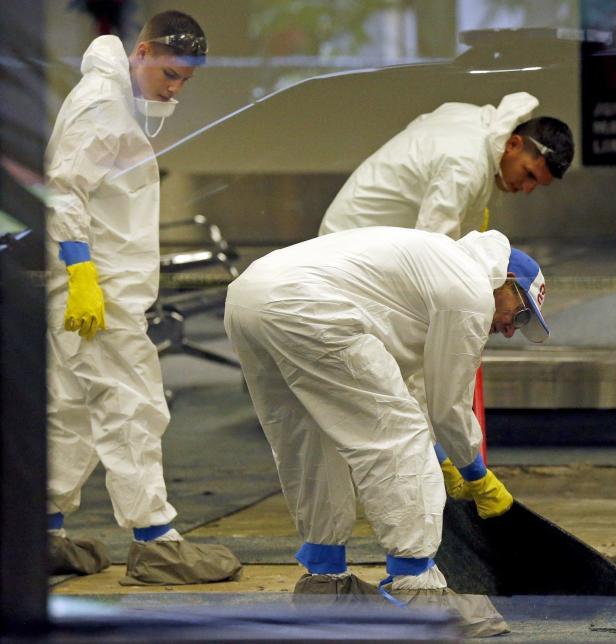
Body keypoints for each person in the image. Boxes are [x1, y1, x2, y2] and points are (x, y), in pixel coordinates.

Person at [224, 226, 549, 636]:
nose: (508, 329)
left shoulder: (437, 266)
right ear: (508, 281)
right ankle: (418, 591)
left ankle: (325, 581)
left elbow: (413, 387)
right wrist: (475, 473)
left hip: (247, 298)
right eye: (518, 315)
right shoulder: (470, 289)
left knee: (306, 441)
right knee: (397, 438)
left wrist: (443, 455)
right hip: (310, 307)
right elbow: (448, 404)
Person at [45, 10, 242, 585]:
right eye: (171, 74)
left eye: (186, 80)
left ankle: (42, 532)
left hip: (88, 289)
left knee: (71, 410)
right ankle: (154, 539)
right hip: (95, 292)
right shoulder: (102, 105)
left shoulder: (113, 101)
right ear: (143, 52)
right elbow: (62, 191)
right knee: (133, 405)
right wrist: (82, 272)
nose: (175, 88)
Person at [317, 92, 574, 239]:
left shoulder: (472, 120)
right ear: (513, 144)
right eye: (529, 174)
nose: (527, 189)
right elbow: (436, 250)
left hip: (353, 236)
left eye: (536, 185)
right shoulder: (466, 163)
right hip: (349, 246)